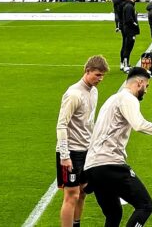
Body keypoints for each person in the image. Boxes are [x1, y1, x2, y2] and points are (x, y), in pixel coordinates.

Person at [83, 67, 152, 227]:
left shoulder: (111, 100)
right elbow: (139, 125)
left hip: (94, 167)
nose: (146, 91)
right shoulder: (128, 98)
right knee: (145, 206)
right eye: (147, 86)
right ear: (139, 82)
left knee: (114, 214)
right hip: (110, 164)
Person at [55, 55, 109, 227]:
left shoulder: (93, 91)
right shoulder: (73, 94)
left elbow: (88, 122)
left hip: (87, 150)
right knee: (71, 195)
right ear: (87, 71)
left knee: (83, 192)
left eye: (102, 76)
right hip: (71, 151)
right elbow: (61, 125)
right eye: (97, 75)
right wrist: (64, 155)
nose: (100, 79)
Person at [120, 0, 140, 73]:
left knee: (128, 47)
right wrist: (135, 24)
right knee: (127, 48)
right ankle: (125, 66)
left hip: (129, 30)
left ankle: (126, 64)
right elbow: (129, 19)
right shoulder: (129, 6)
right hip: (129, 30)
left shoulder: (130, 5)